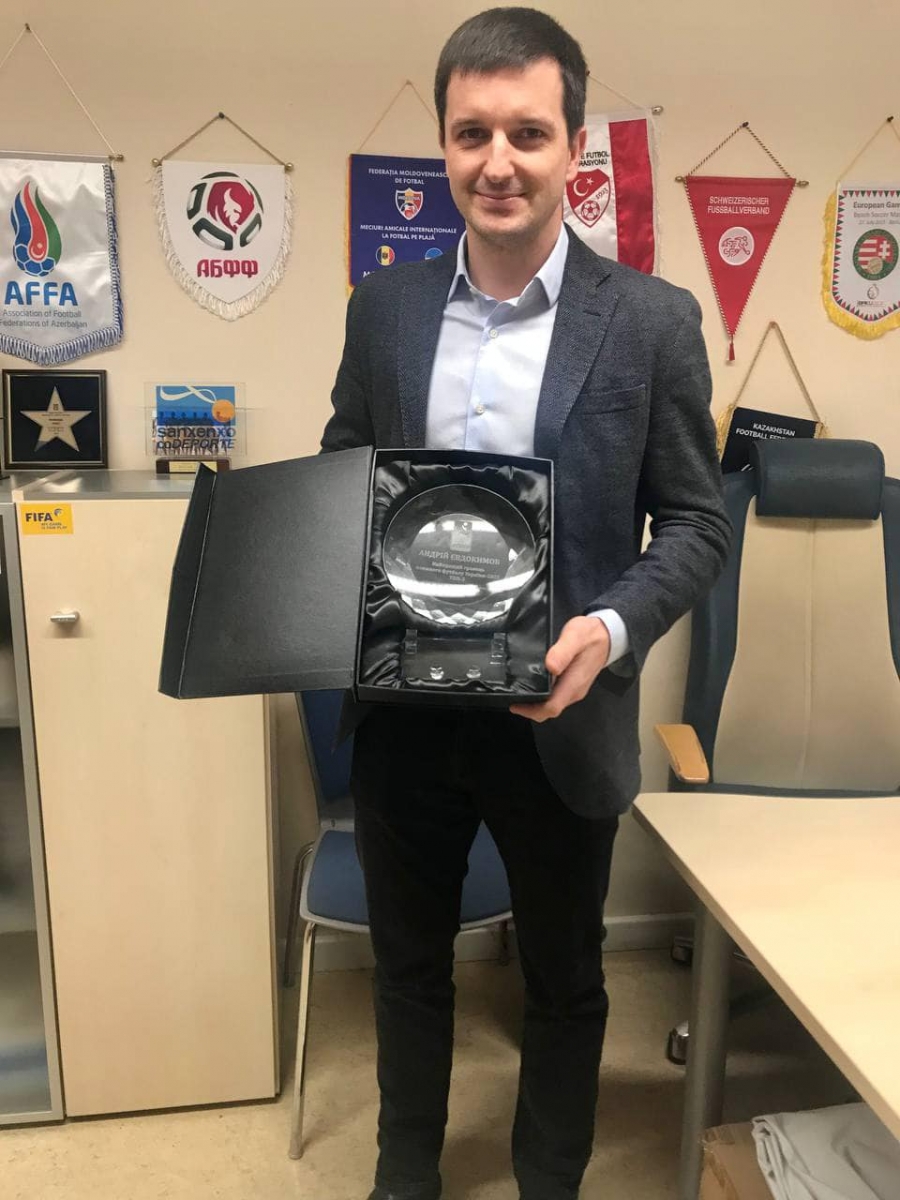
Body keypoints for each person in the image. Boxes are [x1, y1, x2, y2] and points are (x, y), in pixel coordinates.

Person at [322, 9, 730, 1199]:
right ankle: (405, 1175)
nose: (497, 162)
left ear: (573, 148)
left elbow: (698, 522)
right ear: (445, 143)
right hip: (404, 714)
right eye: (471, 133)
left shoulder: (650, 321)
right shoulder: (384, 309)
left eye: (527, 133)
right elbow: (346, 469)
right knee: (409, 972)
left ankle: (550, 1178)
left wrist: (610, 631)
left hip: (563, 714)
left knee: (563, 978)